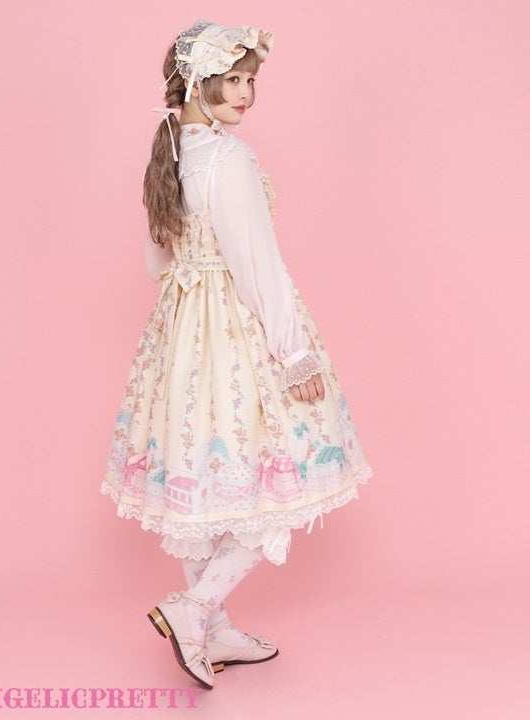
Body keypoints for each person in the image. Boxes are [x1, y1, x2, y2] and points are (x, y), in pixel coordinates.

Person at [100, 19, 374, 690]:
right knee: (283, 468)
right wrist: (294, 354)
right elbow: (258, 268)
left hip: (181, 336)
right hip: (236, 332)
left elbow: (158, 262)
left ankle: (214, 627)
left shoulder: (173, 155)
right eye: (234, 78)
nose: (247, 93)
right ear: (198, 82)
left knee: (203, 475)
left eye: (252, 79)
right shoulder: (228, 160)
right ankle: (194, 609)